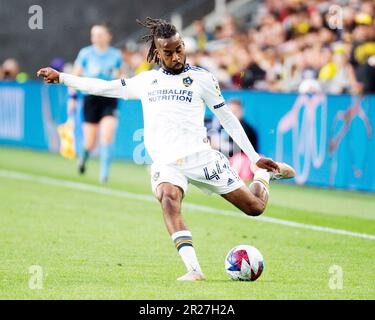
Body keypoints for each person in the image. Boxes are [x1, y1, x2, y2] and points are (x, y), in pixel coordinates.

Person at [37, 17, 295, 281]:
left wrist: (255, 159)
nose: (176, 56)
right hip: (166, 162)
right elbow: (103, 86)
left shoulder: (202, 79)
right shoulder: (146, 81)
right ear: (157, 53)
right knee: (168, 200)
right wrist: (63, 78)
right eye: (168, 52)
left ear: (183, 44)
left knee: (254, 208)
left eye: (179, 49)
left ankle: (266, 177)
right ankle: (194, 269)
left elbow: (227, 117)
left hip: (201, 158)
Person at [69, 23, 124, 183]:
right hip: (90, 98)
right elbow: (75, 77)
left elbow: (122, 77)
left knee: (107, 135)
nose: (96, 38)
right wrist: (72, 99)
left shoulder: (115, 55)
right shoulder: (85, 53)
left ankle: (104, 175)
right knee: (90, 143)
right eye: (94, 35)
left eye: (100, 34)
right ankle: (83, 158)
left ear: (108, 36)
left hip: (109, 98)